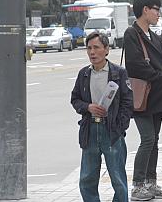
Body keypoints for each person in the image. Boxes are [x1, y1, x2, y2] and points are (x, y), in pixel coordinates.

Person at [123, 0, 162, 201]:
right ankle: (138, 186)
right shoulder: (131, 34)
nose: (159, 13)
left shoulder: (154, 36)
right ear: (145, 10)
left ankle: (151, 182)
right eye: (156, 9)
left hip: (157, 97)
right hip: (142, 96)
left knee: (154, 140)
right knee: (147, 139)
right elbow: (136, 66)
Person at [71, 32, 133, 202]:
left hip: (112, 131)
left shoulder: (118, 73)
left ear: (106, 49)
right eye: (89, 48)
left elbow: (128, 102)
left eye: (96, 47)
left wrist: (119, 126)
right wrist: (88, 107)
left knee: (118, 177)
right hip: (90, 130)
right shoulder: (84, 74)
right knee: (87, 178)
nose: (92, 52)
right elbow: (75, 99)